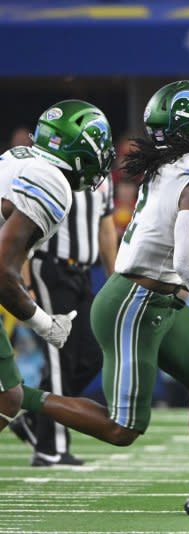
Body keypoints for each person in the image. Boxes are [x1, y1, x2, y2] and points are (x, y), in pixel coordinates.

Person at [12, 81, 189, 516]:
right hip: (136, 303)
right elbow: (187, 260)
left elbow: (165, 253)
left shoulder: (169, 167)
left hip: (155, 298)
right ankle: (17, 397)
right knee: (122, 429)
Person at [0, 100, 114, 434]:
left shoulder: (18, 157)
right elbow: (2, 273)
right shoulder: (52, 183)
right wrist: (44, 323)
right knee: (8, 399)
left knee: (9, 396)